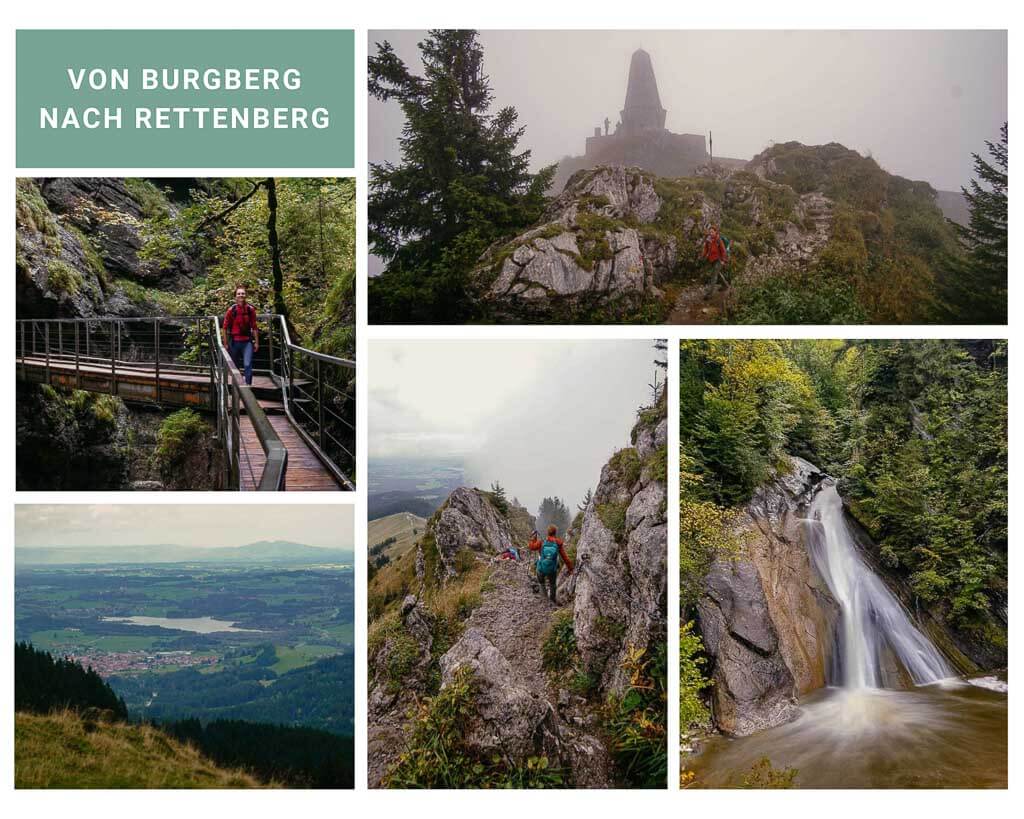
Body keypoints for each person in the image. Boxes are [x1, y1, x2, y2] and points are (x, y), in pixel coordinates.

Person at [222, 285, 259, 385]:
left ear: (245, 295)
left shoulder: (250, 310)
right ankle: (237, 389)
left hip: (247, 342)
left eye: (242, 293)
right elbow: (224, 328)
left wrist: (256, 342)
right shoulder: (231, 311)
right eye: (239, 293)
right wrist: (225, 344)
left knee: (247, 364)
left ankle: (248, 387)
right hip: (234, 342)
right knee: (235, 367)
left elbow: (254, 327)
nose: (241, 295)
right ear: (235, 296)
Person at [530, 525, 573, 604]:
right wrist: (571, 569)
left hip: (541, 568)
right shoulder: (558, 543)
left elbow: (532, 547)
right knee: (552, 584)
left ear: (548, 532)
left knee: (541, 582)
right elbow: (565, 558)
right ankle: (552, 601)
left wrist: (533, 538)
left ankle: (544, 599)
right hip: (552, 569)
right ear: (555, 533)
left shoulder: (542, 542)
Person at [701, 225, 730, 290]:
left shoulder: (718, 240)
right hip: (712, 259)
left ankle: (709, 293)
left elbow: (723, 251)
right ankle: (725, 285)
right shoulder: (708, 240)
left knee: (714, 275)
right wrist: (703, 256)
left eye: (712, 232)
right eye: (710, 232)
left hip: (719, 260)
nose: (711, 233)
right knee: (717, 273)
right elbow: (706, 249)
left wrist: (723, 260)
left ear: (715, 232)